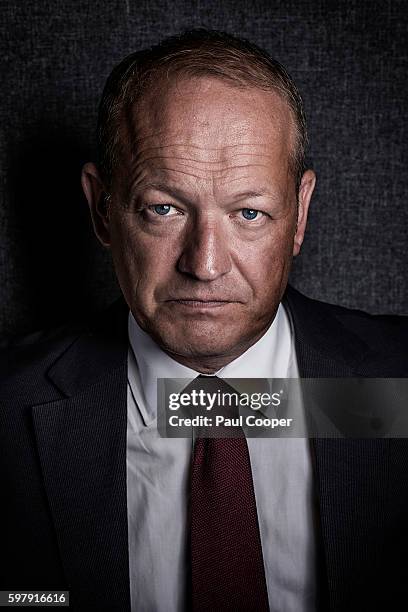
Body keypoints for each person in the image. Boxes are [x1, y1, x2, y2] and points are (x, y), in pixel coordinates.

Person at [1, 29, 407, 612]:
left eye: (249, 212)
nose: (206, 265)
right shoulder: (8, 413)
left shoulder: (397, 385)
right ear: (103, 210)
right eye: (164, 208)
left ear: (299, 215)